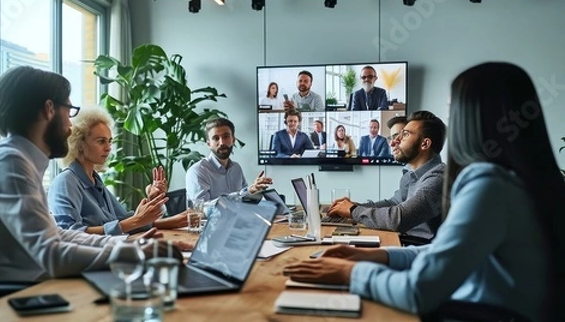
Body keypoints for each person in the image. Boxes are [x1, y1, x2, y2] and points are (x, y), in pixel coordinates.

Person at [283, 62, 565, 322]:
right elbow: (439, 254)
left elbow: (418, 291)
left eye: (451, 110)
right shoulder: (516, 181)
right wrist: (377, 257)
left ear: (470, 117)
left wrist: (350, 272)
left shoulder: (488, 184)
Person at [0, 66, 184, 286]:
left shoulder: (18, 160)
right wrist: (132, 254)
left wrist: (127, 247)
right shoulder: (10, 164)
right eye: (69, 112)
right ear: (49, 109)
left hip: (18, 285)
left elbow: (57, 235)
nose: (70, 126)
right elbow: (51, 254)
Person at [48, 106, 189, 235]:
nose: (108, 148)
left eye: (110, 141)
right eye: (101, 141)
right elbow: (70, 233)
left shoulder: (95, 180)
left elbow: (125, 220)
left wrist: (157, 205)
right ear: (79, 143)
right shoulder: (66, 182)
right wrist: (137, 220)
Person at [331, 111, 446, 240]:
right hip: (406, 241)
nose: (393, 143)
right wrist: (357, 206)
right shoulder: (410, 174)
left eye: (405, 135)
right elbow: (394, 203)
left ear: (425, 144)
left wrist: (353, 211)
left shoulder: (438, 179)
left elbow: (398, 218)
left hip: (420, 250)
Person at [186, 117, 273, 202]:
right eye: (216, 138)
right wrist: (245, 192)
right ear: (208, 144)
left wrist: (254, 189)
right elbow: (202, 210)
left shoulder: (236, 168)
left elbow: (245, 199)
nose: (222, 142)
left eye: (226, 136)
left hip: (241, 216)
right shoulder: (197, 171)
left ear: (233, 140)